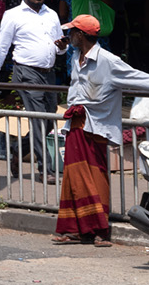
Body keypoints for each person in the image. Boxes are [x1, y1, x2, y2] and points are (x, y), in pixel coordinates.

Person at [52, 14, 149, 248]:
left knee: (95, 177)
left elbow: (140, 79)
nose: (69, 36)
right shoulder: (76, 55)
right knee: (74, 177)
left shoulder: (108, 61)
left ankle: (98, 230)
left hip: (97, 126)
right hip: (77, 123)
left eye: (72, 32)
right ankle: (74, 229)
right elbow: (65, 57)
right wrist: (62, 50)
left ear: (81, 35)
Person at [0, 0, 66, 182]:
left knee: (49, 119)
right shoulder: (13, 15)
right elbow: (2, 48)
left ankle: (17, 150)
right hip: (26, 73)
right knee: (38, 119)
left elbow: (59, 50)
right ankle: (45, 170)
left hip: (49, 74)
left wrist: (63, 48)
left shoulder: (52, 15)